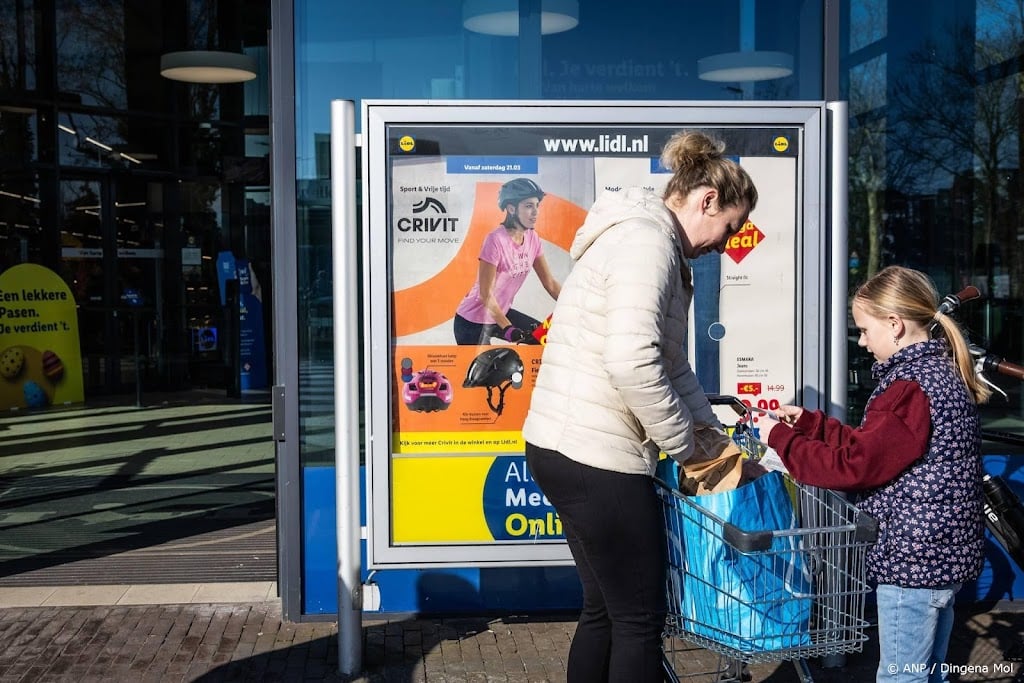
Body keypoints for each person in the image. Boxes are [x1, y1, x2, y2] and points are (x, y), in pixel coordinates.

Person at [522, 131, 758, 683]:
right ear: (705, 201)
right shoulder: (647, 244)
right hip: (595, 455)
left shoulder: (653, 245)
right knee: (638, 620)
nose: (726, 243)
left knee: (605, 611)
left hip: (566, 445)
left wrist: (712, 440)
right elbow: (632, 362)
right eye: (728, 227)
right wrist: (683, 447)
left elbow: (672, 364)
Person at [757, 265, 991, 683]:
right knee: (926, 674)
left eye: (864, 329)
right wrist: (812, 426)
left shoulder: (908, 388)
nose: (862, 342)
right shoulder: (939, 374)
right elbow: (880, 448)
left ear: (895, 325)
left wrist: (780, 439)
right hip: (939, 557)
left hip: (912, 561)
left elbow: (858, 467)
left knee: (901, 677)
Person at [453, 178, 561, 345]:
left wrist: (574, 305)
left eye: (537, 205)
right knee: (486, 371)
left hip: (500, 313)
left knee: (544, 340)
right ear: (511, 208)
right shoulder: (495, 240)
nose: (535, 212)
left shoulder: (533, 238)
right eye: (528, 206)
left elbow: (551, 284)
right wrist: (508, 328)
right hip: (471, 322)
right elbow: (485, 294)